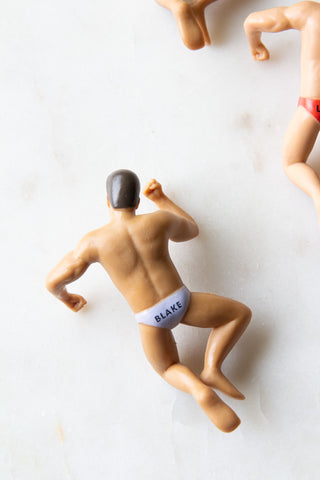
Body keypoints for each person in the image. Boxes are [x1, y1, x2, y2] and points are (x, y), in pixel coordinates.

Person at [46, 169, 251, 433]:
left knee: (167, 368)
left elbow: (54, 281)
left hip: (150, 318)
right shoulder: (159, 221)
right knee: (238, 314)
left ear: (107, 201)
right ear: (137, 202)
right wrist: (162, 199)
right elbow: (191, 229)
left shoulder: (92, 242)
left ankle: (198, 389)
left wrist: (67, 297)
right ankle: (212, 367)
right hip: (182, 301)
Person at [244, 1, 320, 227]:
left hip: (313, 103)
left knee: (293, 162)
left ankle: (317, 193)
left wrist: (255, 44)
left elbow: (252, 22)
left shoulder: (310, 12)